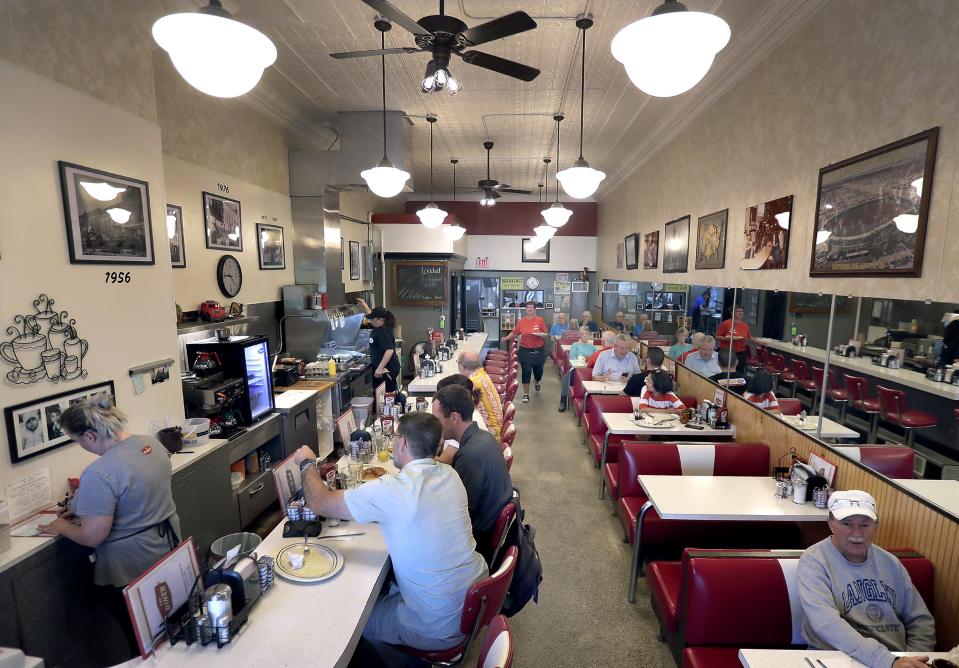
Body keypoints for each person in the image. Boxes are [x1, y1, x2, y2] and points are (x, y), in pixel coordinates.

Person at [295, 412, 487, 656]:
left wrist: (307, 464)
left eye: (395, 437)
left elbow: (319, 502)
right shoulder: (450, 475)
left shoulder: (393, 491)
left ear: (403, 443)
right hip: (472, 602)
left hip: (435, 627)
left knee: (351, 616)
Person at [40, 395, 181, 660]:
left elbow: (93, 536)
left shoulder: (99, 472)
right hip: (167, 548)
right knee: (171, 623)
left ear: (90, 436)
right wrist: (85, 506)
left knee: (142, 642)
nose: (80, 445)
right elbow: (138, 493)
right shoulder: (151, 445)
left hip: (131, 567)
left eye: (77, 440)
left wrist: (61, 526)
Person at [798, 490, 935, 668]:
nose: (857, 533)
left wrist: (914, 659)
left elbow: (920, 621)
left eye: (864, 525)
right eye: (846, 524)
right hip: (837, 659)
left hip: (897, 659)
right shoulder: (814, 560)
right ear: (831, 524)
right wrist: (888, 661)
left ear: (876, 526)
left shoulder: (891, 563)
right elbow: (826, 623)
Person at [432, 385, 513, 558]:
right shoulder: (484, 438)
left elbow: (460, 515)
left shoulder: (469, 456)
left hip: (477, 543)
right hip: (489, 528)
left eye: (436, 419)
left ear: (454, 418)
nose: (434, 426)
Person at [503, 302, 548, 403]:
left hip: (538, 350)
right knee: (526, 371)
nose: (530, 309)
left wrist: (540, 334)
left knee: (538, 372)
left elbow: (545, 334)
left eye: (532, 308)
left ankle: (537, 382)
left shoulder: (540, 320)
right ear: (525, 309)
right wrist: (506, 337)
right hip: (525, 350)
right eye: (528, 308)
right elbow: (514, 332)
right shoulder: (521, 322)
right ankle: (526, 394)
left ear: (535, 309)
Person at [456, 352, 504, 440]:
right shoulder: (482, 374)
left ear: (462, 367)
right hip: (497, 426)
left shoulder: (472, 383)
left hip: (490, 434)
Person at [357, 299, 400, 393]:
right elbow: (370, 315)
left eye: (373, 319)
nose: (371, 321)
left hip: (387, 369)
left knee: (387, 395)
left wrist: (380, 368)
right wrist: (363, 304)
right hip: (384, 367)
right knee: (382, 395)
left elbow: (389, 350)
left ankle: (390, 408)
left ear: (380, 319)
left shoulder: (383, 331)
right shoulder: (378, 324)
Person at [716, 305, 752, 372]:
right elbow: (717, 337)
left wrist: (761, 342)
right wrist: (726, 339)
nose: (740, 313)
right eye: (738, 311)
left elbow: (749, 338)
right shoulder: (726, 323)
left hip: (741, 353)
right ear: (732, 313)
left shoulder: (745, 326)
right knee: (726, 372)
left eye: (742, 311)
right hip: (727, 352)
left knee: (739, 373)